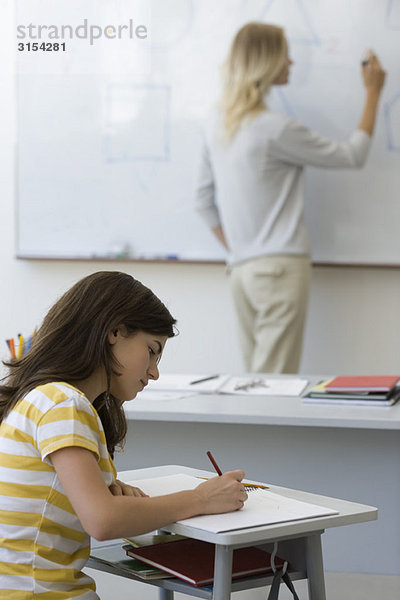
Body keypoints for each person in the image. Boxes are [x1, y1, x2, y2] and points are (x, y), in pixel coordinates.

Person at [0, 271, 247, 599]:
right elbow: (102, 521)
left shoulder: (39, 398)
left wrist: (100, 488)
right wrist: (202, 498)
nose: (154, 372)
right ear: (115, 331)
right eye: (152, 350)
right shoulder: (64, 403)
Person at [195, 22, 386, 374]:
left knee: (256, 381)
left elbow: (202, 203)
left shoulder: (215, 124)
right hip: (280, 269)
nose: (292, 63)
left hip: (241, 270)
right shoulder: (276, 128)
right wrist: (373, 93)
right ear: (267, 61)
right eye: (285, 55)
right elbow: (352, 155)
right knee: (273, 386)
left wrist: (240, 249)